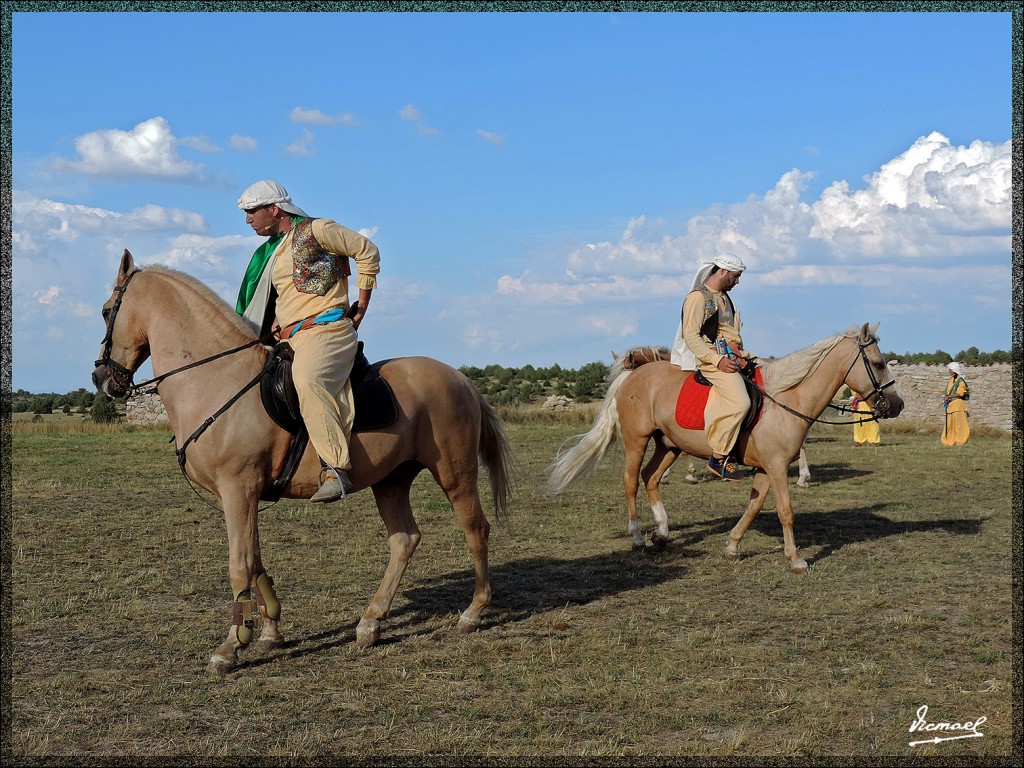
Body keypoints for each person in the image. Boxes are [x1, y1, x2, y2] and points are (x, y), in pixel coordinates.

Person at [235, 180, 381, 502]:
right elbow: (289, 295)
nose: (248, 220)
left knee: (308, 378)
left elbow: (367, 251)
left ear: (274, 209)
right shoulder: (274, 250)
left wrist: (362, 306)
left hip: (327, 331)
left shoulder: (319, 229)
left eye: (251, 212)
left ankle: (335, 469)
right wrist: (277, 320)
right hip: (291, 336)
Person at [674, 253, 756, 481]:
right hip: (711, 360)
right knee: (741, 401)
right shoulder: (698, 298)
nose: (737, 282)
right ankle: (719, 458)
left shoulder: (725, 298)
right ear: (722, 272)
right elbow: (691, 336)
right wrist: (717, 360)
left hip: (733, 354)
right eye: (736, 276)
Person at [941, 361, 970, 446]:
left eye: (950, 369)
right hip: (951, 405)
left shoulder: (961, 381)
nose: (949, 371)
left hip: (958, 405)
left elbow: (960, 393)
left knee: (959, 425)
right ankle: (950, 440)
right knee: (950, 424)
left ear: (954, 370)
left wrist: (949, 397)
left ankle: (961, 441)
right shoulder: (951, 380)